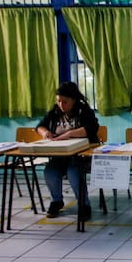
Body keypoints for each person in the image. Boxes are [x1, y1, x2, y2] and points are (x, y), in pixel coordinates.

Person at [36, 81, 99, 222]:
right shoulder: (55, 112)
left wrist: (69, 134)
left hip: (81, 156)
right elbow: (40, 126)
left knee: (73, 172)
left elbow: (92, 128)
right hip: (60, 155)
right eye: (58, 101)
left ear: (74, 100)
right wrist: (46, 133)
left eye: (65, 102)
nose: (61, 105)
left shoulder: (83, 111)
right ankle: (56, 201)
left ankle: (84, 204)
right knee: (50, 172)